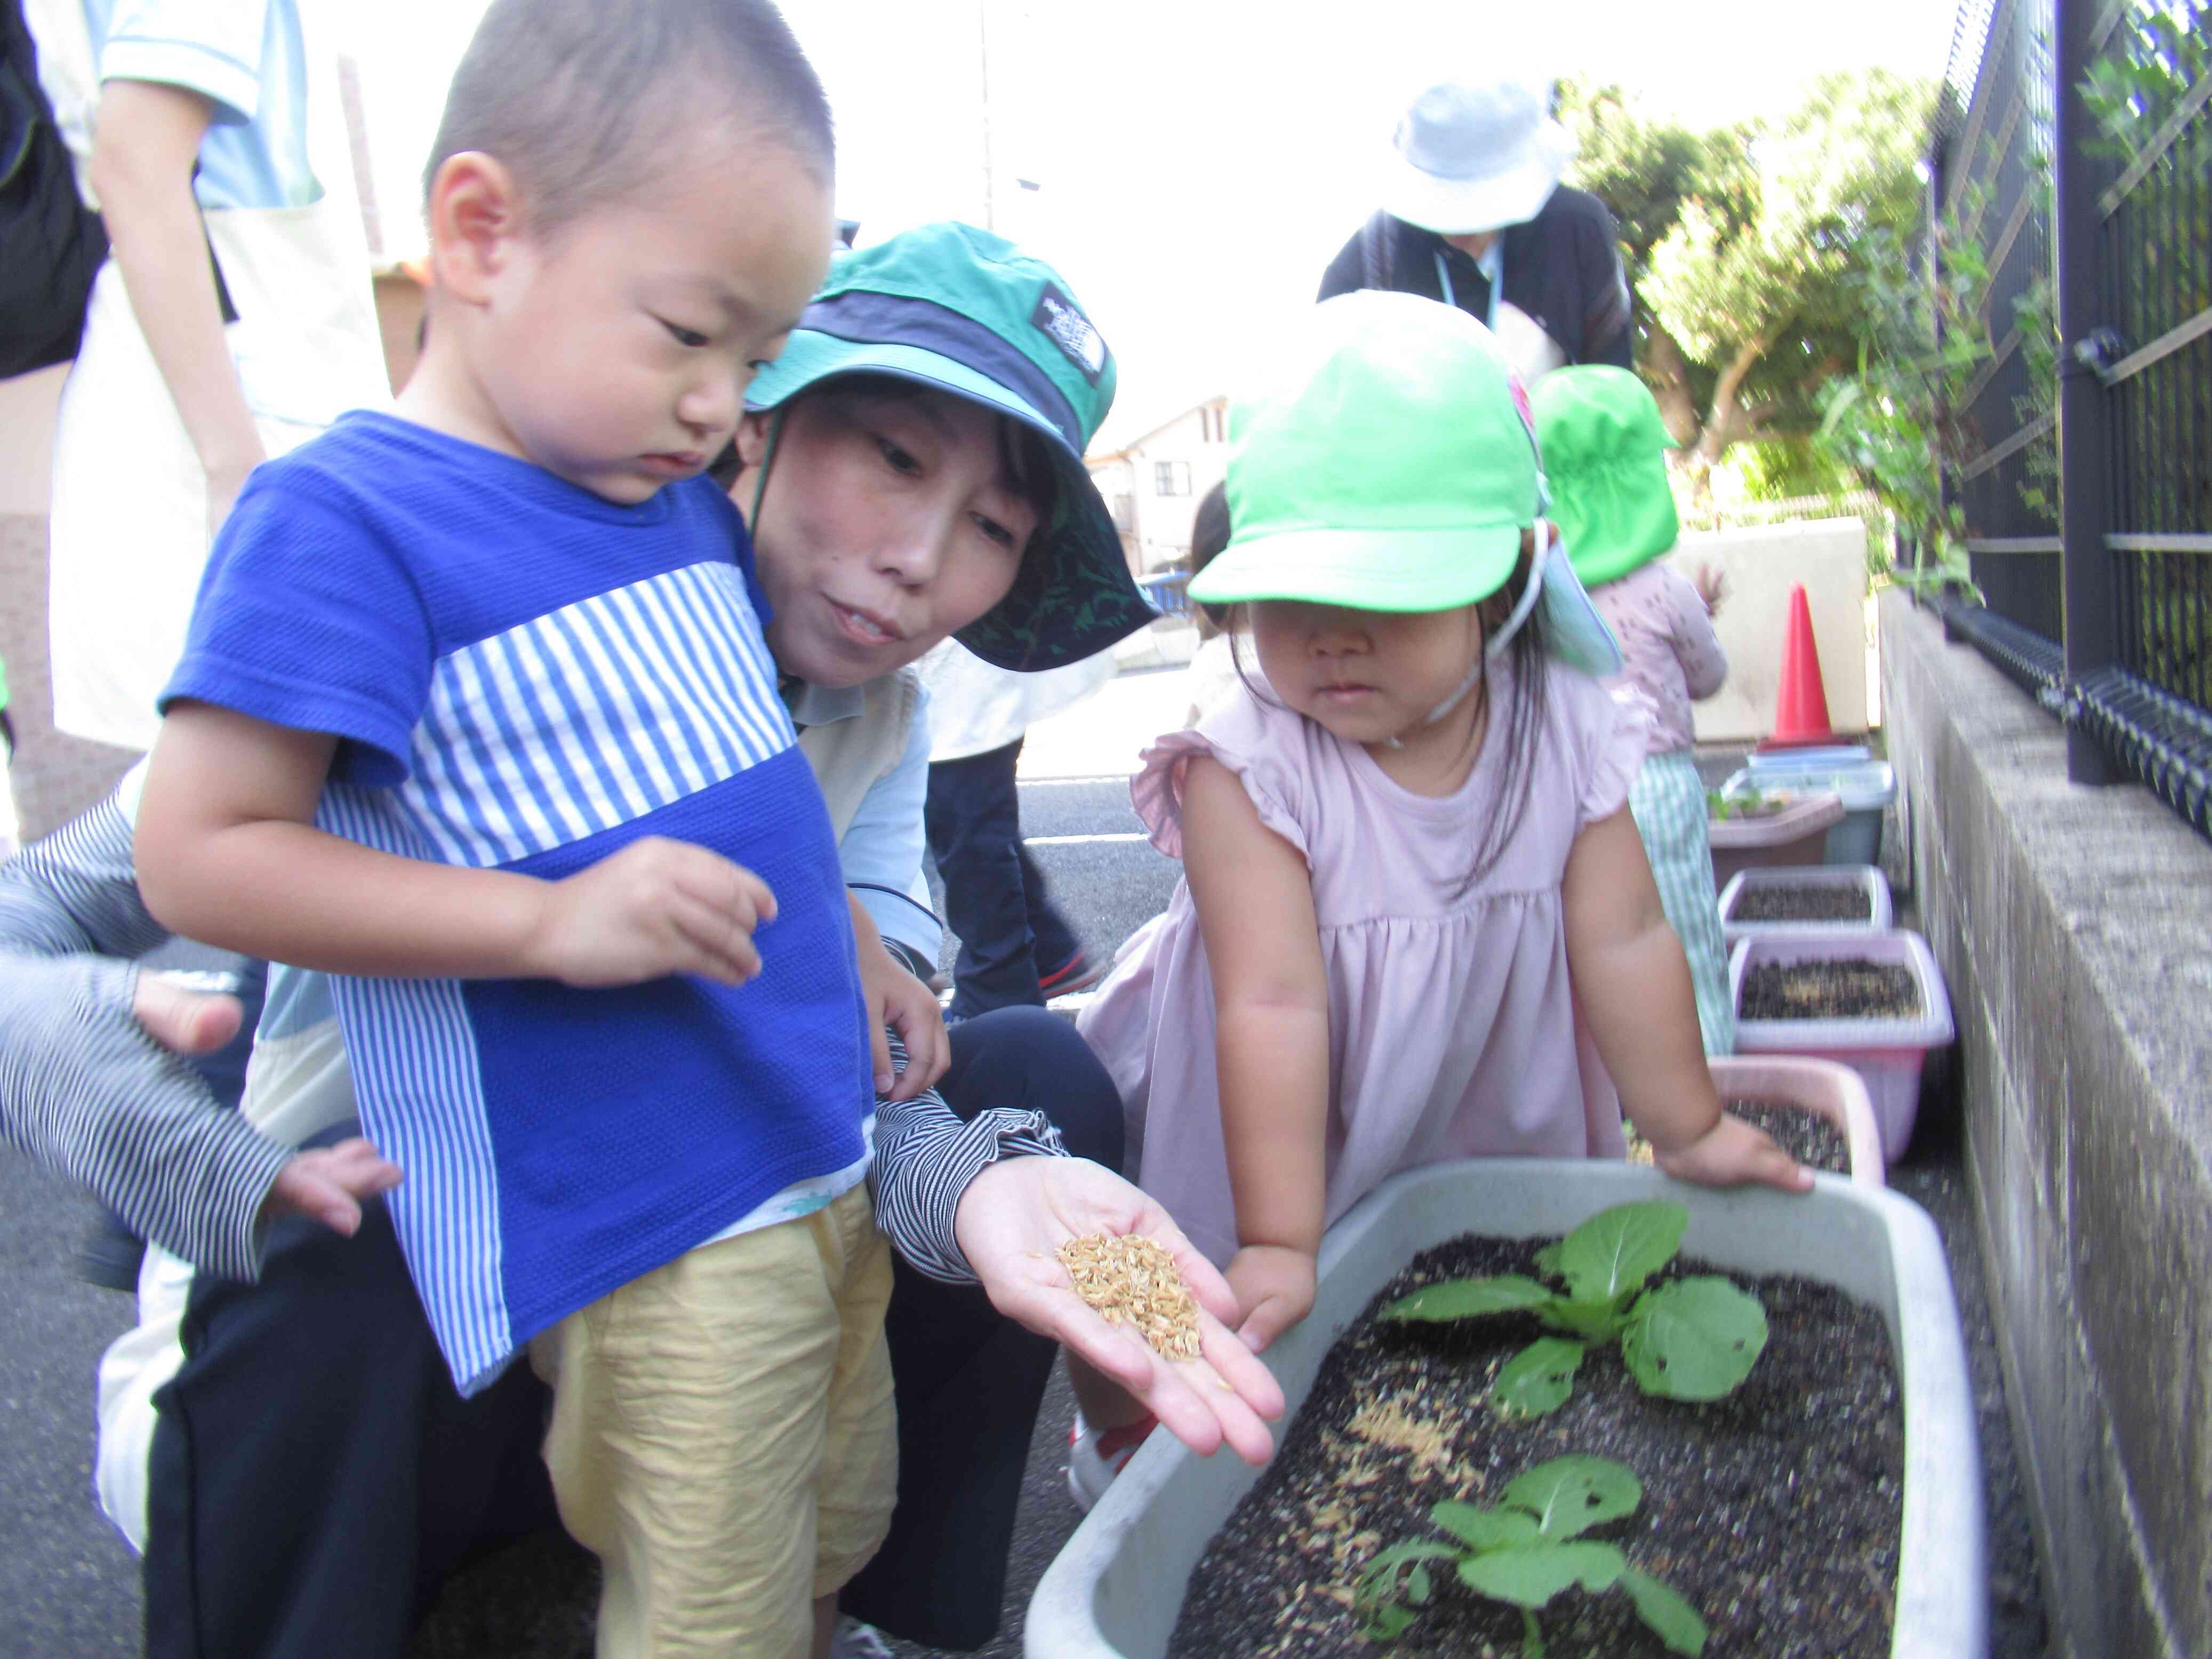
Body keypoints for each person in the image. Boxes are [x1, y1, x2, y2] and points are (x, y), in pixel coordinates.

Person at [79, 216, 1276, 1659]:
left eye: (992, 528)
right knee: (337, 1248)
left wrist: (981, 1177)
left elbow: (813, 1068)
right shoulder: (498, 599)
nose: (913, 558)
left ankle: (853, 1611)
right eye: (893, 456)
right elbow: (135, 860)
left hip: (697, 1260)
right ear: (753, 414)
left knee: (1033, 1078)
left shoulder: (879, 724)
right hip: (398, 1298)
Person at [1067, 293, 1807, 1505]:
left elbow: (1620, 935)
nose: (1335, 635)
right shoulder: (1249, 767)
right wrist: (1276, 1235)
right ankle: (1130, 1457)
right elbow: (1269, 1001)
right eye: (1294, 589)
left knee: (1473, 1321)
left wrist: (1685, 1123)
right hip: (1277, 1124)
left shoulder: (1564, 721)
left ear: (1510, 575)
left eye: (1395, 590)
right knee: (1239, 1351)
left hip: (1469, 1086)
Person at [34, 0, 388, 752]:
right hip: (224, 396)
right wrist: (238, 472)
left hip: (193, 374)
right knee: (255, 796)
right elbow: (136, 164)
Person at [1535, 365, 1735, 1055]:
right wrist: (1701, 619)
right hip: (1659, 784)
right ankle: (1710, 1070)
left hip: (1570, 794)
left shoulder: (1546, 600)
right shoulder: (1668, 590)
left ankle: (1616, 1093)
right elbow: (1707, 676)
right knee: (1681, 933)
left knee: (1595, 949)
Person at [1317, 69, 1633, 374]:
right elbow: (1323, 394)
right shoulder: (1370, 262)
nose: (1460, 229)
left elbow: (1613, 388)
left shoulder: (1577, 231)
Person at [918, 642, 1112, 1016]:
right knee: (973, 829)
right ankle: (1047, 952)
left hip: (960, 683)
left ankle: (1001, 986)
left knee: (969, 835)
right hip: (959, 680)